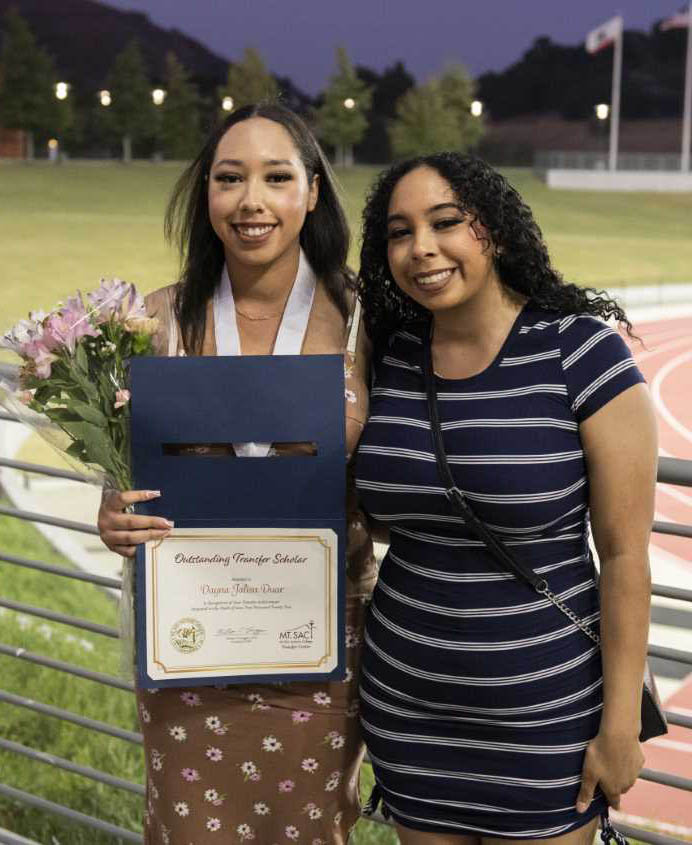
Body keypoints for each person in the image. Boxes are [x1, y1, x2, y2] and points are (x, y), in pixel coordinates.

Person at [355, 153, 657, 845]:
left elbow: (623, 555)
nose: (420, 248)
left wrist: (618, 726)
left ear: (490, 230)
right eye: (399, 232)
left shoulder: (581, 352)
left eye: (445, 222)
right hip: (408, 709)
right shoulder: (390, 355)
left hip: (544, 719)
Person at [97, 103, 377, 844]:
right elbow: (124, 476)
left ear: (311, 191)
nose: (251, 200)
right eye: (230, 178)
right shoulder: (153, 322)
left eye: (276, 177)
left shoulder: (364, 323)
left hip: (318, 644)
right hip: (192, 645)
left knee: (310, 828)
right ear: (207, 195)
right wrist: (113, 514)